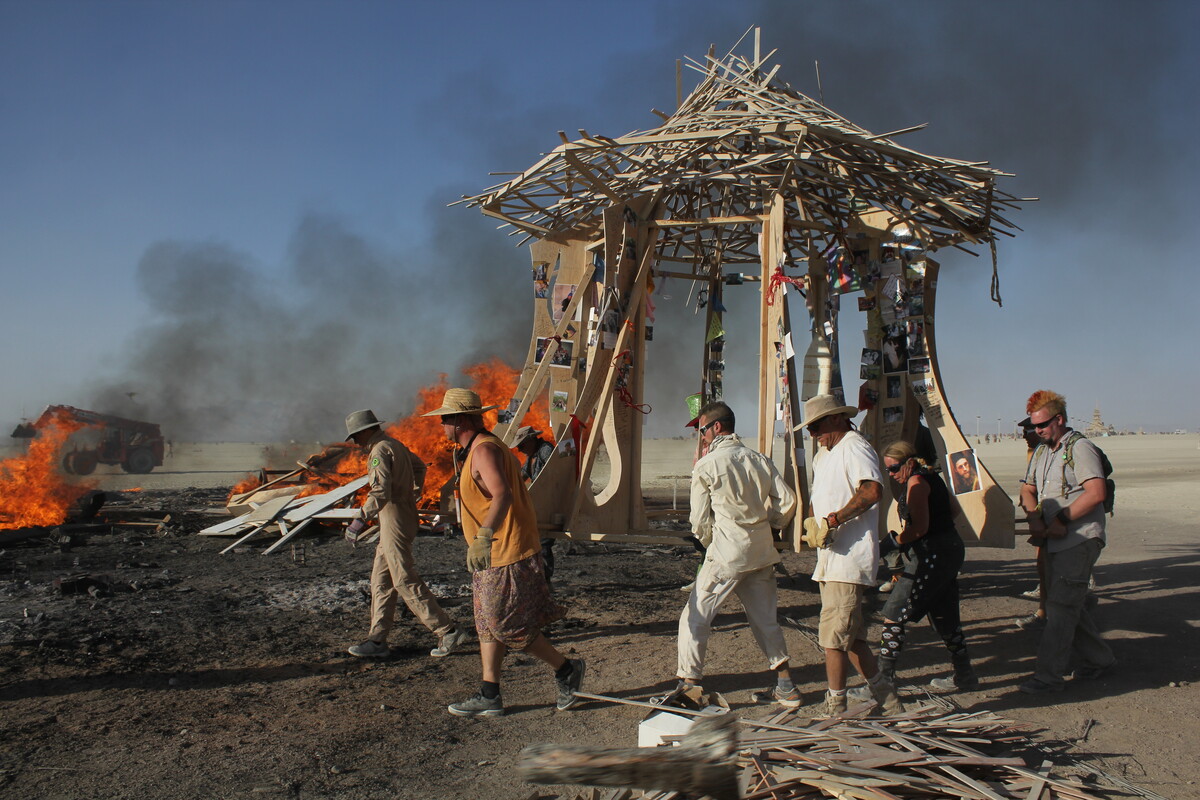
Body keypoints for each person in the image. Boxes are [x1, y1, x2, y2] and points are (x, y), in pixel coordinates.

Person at [422, 389, 584, 717]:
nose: (441, 425)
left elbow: (502, 494)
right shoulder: (478, 450)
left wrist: (484, 535)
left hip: (505, 549)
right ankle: (489, 694)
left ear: (461, 420)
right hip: (490, 555)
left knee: (507, 626)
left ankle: (566, 669)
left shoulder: (483, 450)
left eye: (445, 419)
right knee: (485, 624)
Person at [676, 401, 801, 707]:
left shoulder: (706, 465)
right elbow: (787, 501)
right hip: (760, 552)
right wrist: (772, 526)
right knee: (765, 620)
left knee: (694, 617)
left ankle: (690, 685)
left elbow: (699, 520)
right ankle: (786, 685)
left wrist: (706, 543)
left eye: (702, 430)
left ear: (716, 427)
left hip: (727, 554)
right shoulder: (758, 459)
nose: (701, 436)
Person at [801, 394, 904, 716]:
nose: (814, 434)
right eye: (810, 429)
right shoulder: (824, 455)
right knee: (854, 639)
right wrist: (811, 523)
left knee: (832, 640)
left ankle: (836, 706)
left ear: (836, 419)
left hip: (849, 560)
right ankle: (888, 701)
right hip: (831, 560)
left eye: (817, 426)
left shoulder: (854, 446)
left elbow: (872, 490)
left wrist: (834, 519)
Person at [341, 409, 468, 660]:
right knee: (381, 579)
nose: (355, 442)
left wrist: (360, 519)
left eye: (356, 435)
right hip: (401, 515)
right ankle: (377, 639)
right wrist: (414, 493)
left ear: (366, 430)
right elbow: (419, 466)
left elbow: (379, 490)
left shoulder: (379, 450)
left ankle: (447, 630)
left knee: (403, 579)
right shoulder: (394, 445)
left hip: (393, 518)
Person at [1017, 390, 1115, 694]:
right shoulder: (1043, 452)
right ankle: (1100, 658)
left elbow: (1096, 493)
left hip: (1079, 539)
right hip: (1052, 540)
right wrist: (1034, 517)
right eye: (1033, 426)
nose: (1037, 431)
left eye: (1042, 425)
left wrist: (1062, 519)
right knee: (1068, 604)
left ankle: (1048, 677)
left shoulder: (1081, 448)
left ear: (1059, 419)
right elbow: (1027, 489)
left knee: (1059, 607)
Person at [877, 440, 977, 693]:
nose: (891, 474)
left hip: (931, 555)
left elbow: (918, 528)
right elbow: (954, 511)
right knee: (945, 614)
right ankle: (964, 675)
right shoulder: (932, 477)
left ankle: (882, 683)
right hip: (948, 550)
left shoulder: (917, 484)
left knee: (894, 613)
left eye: (894, 468)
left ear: (909, 463)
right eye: (887, 469)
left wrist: (893, 542)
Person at [512, 425, 558, 584]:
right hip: (539, 503)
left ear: (531, 440)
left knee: (543, 540)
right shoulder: (532, 456)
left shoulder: (545, 450)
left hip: (550, 503)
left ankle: (545, 580)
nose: (519, 449)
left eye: (521, 445)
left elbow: (554, 472)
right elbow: (523, 475)